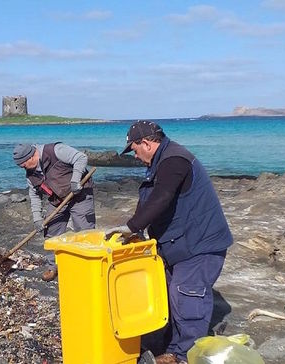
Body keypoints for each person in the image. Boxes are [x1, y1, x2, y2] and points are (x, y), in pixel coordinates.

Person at [105, 120, 233, 364]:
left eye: (134, 149)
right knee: (168, 296)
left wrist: (132, 226)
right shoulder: (161, 161)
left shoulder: (175, 160)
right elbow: (150, 200)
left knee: (186, 297)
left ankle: (183, 357)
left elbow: (163, 197)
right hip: (180, 244)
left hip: (201, 245)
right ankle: (173, 347)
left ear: (146, 143)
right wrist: (135, 230)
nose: (135, 155)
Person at [13, 142, 96, 281]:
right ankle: (53, 267)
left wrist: (75, 181)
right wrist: (37, 219)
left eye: (23, 164)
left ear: (31, 156)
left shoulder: (55, 150)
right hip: (58, 200)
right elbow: (34, 195)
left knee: (85, 232)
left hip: (80, 194)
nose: (22, 168)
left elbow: (80, 158)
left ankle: (87, 266)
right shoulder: (30, 175)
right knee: (51, 232)